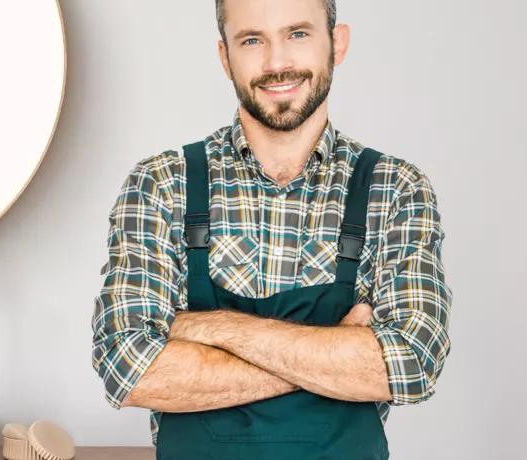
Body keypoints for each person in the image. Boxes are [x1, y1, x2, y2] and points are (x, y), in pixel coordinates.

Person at [89, 0, 452, 458]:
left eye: (297, 34)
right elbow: (128, 367)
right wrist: (334, 356)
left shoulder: (395, 188)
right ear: (225, 57)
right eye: (252, 40)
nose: (277, 63)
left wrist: (210, 328)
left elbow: (412, 365)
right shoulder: (162, 183)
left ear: (336, 45)